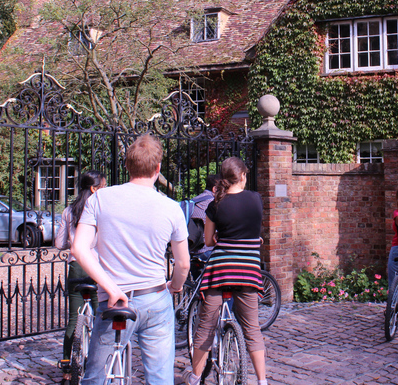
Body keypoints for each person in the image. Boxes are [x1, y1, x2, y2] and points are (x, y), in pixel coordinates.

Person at [72, 134, 191, 385]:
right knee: (160, 378)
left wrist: (111, 287)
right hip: (155, 296)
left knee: (95, 377)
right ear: (158, 169)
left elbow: (79, 249)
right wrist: (176, 286)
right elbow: (183, 264)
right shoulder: (171, 208)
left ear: (127, 166)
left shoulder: (100, 199)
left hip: (116, 299)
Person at [182, 157, 268, 385]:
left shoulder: (215, 205)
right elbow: (253, 231)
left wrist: (222, 237)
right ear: (242, 176)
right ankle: (262, 381)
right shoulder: (256, 199)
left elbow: (209, 242)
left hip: (220, 271)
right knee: (252, 329)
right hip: (248, 270)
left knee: (205, 327)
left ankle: (195, 376)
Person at [54, 170, 106, 385]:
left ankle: (67, 365)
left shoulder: (69, 210)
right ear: (94, 189)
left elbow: (59, 244)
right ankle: (97, 364)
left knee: (75, 318)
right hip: (96, 267)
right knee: (100, 316)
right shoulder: (101, 210)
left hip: (76, 266)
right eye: (103, 186)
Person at [189, 174, 219, 260]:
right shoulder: (213, 203)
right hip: (207, 251)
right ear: (215, 189)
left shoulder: (195, 201)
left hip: (192, 250)